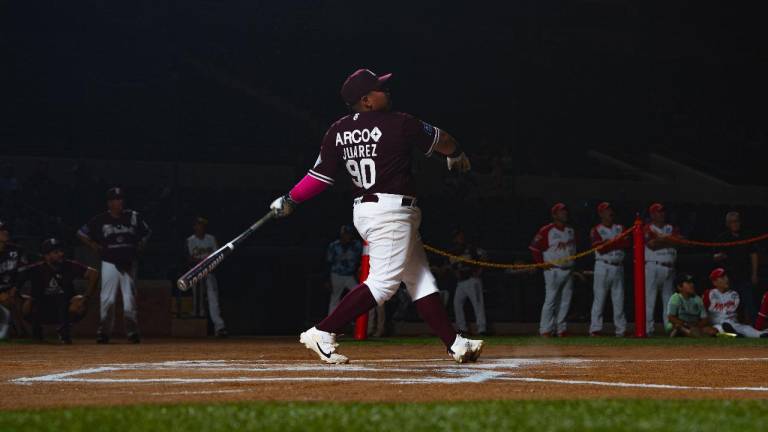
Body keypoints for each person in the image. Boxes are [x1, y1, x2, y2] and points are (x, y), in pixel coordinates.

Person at [269, 68, 482, 364]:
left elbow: (319, 177)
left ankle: (455, 343)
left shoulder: (337, 129)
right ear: (367, 100)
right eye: (381, 89)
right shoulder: (400, 123)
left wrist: (291, 198)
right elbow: (443, 140)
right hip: (392, 211)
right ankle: (322, 331)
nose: (388, 91)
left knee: (419, 279)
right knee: (383, 283)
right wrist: (456, 153)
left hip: (367, 210)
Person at [77, 187, 151, 344]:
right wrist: (93, 245)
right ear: (109, 203)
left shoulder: (133, 216)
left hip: (129, 263)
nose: (120, 202)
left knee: (129, 300)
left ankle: (132, 333)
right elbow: (81, 233)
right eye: (116, 199)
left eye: (121, 198)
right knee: (107, 299)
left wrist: (141, 245)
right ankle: (103, 333)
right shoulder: (100, 219)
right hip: (109, 262)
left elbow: (146, 232)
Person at [17, 238, 99, 344]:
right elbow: (15, 278)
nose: (61, 254)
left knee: (79, 303)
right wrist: (21, 297)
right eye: (56, 252)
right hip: (42, 308)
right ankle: (36, 330)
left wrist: (86, 297)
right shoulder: (35, 269)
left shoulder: (69, 265)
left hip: (64, 308)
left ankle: (64, 329)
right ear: (46, 256)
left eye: (61, 251)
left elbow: (94, 273)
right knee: (27, 303)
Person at [529, 203, 577, 337]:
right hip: (553, 269)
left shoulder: (570, 230)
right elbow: (534, 248)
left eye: (565, 211)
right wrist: (541, 264)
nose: (564, 213)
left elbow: (573, 250)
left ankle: (561, 328)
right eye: (561, 211)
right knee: (551, 300)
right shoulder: (547, 230)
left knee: (565, 300)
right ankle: (545, 329)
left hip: (568, 269)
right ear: (554, 215)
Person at [588, 202, 630, 337]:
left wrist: (610, 242)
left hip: (618, 265)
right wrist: (616, 242)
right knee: (599, 298)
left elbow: (627, 243)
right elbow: (600, 248)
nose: (610, 212)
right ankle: (595, 329)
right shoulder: (596, 229)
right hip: (603, 265)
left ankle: (621, 330)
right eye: (606, 210)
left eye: (610, 209)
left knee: (619, 299)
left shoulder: (620, 227)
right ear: (600, 214)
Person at [713, 211, 760, 324]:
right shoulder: (723, 237)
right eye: (732, 222)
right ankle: (734, 326)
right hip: (729, 278)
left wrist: (754, 274)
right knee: (733, 304)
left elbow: (753, 255)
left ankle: (754, 328)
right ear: (728, 224)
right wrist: (720, 256)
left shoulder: (747, 236)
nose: (735, 224)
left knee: (749, 302)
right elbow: (714, 256)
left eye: (737, 221)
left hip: (745, 275)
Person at [186, 217, 228, 337]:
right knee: (197, 299)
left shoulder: (211, 239)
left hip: (209, 272)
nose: (200, 227)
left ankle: (219, 327)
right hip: (195, 273)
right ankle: (196, 326)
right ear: (194, 227)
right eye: (198, 225)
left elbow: (217, 256)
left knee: (213, 298)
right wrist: (203, 263)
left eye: (202, 225)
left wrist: (206, 264)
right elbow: (190, 258)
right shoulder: (190, 240)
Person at [644, 203, 682, 335]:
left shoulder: (670, 227)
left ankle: (669, 328)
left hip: (669, 267)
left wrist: (662, 239)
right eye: (658, 212)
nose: (662, 214)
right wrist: (669, 240)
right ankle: (648, 329)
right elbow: (652, 245)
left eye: (662, 212)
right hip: (653, 265)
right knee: (650, 300)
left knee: (669, 301)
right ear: (652, 214)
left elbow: (680, 242)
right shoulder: (647, 228)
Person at [703, 268, 767, 338]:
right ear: (714, 282)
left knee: (757, 333)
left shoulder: (735, 294)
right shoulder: (709, 294)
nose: (726, 279)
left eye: (726, 276)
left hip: (735, 324)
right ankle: (734, 335)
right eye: (722, 277)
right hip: (718, 326)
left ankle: (735, 335)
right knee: (711, 331)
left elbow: (742, 312)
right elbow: (703, 312)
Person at [449, 228, 487, 336]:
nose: (459, 238)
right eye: (456, 236)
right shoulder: (454, 250)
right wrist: (455, 272)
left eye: (460, 235)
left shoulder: (471, 247)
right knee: (457, 304)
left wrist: (479, 270)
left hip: (472, 279)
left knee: (478, 304)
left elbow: (483, 256)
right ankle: (462, 328)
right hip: (461, 281)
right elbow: (452, 265)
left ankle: (482, 329)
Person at [326, 225, 362, 314]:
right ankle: (331, 325)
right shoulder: (334, 246)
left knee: (359, 295)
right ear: (342, 235)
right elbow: (328, 263)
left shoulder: (356, 245)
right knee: (334, 299)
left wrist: (358, 271)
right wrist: (327, 279)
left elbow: (360, 259)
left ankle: (353, 319)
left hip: (350, 276)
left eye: (349, 234)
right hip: (336, 275)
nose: (348, 236)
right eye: (346, 234)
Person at [0, 220, 26, 339]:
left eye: (6, 229)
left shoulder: (16, 250)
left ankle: (19, 330)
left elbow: (22, 272)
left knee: (25, 303)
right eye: (1, 230)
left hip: (12, 290)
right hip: (2, 292)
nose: (5, 232)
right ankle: (17, 330)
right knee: (6, 299)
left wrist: (15, 288)